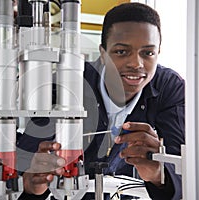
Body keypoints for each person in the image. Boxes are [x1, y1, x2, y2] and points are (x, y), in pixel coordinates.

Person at [17, 2, 185, 200]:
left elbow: (182, 174)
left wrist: (159, 175)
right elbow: (27, 164)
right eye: (122, 52)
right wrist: (32, 182)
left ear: (158, 53)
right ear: (103, 54)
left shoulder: (169, 87)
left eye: (148, 53)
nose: (136, 64)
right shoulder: (70, 81)